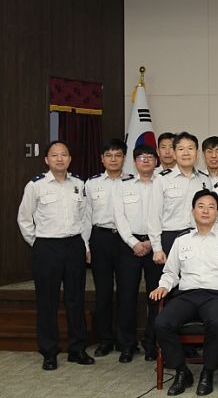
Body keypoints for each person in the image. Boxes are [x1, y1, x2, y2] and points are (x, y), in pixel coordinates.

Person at [151, 189, 218, 396]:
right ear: (193, 211)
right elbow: (171, 272)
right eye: (201, 206)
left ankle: (207, 373)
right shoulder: (182, 240)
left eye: (211, 207)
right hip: (187, 295)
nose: (206, 211)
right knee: (162, 323)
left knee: (217, 322)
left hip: (216, 295)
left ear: (217, 212)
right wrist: (163, 286)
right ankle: (181, 371)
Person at [17, 140, 94, 370]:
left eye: (64, 154)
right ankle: (49, 352)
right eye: (54, 155)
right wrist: (37, 243)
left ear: (70, 159)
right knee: (47, 301)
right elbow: (24, 218)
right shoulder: (36, 185)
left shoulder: (79, 183)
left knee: (75, 299)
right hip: (47, 247)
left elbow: (85, 218)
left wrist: (84, 245)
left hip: (74, 245)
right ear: (46, 159)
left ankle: (77, 349)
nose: (59, 159)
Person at [113, 144, 162, 362]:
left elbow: (165, 214)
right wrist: (134, 242)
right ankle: (127, 344)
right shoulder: (122, 185)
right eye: (141, 157)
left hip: (156, 246)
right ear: (134, 162)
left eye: (150, 157)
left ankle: (152, 343)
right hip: (129, 246)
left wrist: (152, 242)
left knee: (156, 296)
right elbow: (119, 218)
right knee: (127, 296)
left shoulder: (162, 184)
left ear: (156, 161)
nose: (146, 160)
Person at [83, 138, 129, 358]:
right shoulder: (91, 184)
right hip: (100, 238)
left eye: (118, 155)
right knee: (103, 292)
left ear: (124, 158)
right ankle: (105, 339)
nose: (113, 159)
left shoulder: (132, 182)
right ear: (102, 159)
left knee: (126, 291)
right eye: (109, 155)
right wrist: (86, 245)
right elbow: (86, 216)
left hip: (126, 239)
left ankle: (125, 340)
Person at [149, 131, 211, 263]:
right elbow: (154, 216)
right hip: (170, 238)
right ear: (174, 153)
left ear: (197, 153)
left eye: (190, 148)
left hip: (199, 237)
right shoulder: (162, 180)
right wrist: (157, 248)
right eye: (181, 149)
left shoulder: (205, 180)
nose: (186, 153)